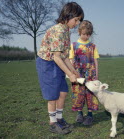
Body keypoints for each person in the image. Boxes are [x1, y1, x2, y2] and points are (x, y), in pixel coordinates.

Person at [36, 2, 84, 134]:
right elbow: (56, 57)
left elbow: (65, 57)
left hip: (57, 63)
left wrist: (74, 71)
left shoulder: (66, 31)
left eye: (79, 20)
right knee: (52, 96)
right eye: (76, 20)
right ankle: (53, 123)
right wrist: (70, 74)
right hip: (47, 64)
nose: (77, 23)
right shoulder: (58, 31)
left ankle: (59, 119)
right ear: (68, 16)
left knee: (63, 92)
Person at [69, 20, 99, 126]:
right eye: (83, 34)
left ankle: (90, 115)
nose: (86, 36)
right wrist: (71, 73)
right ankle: (79, 113)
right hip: (78, 74)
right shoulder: (73, 45)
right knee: (78, 93)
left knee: (90, 94)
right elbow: (71, 60)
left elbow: (95, 60)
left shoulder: (93, 46)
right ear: (79, 32)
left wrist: (96, 75)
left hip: (90, 74)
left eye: (88, 34)